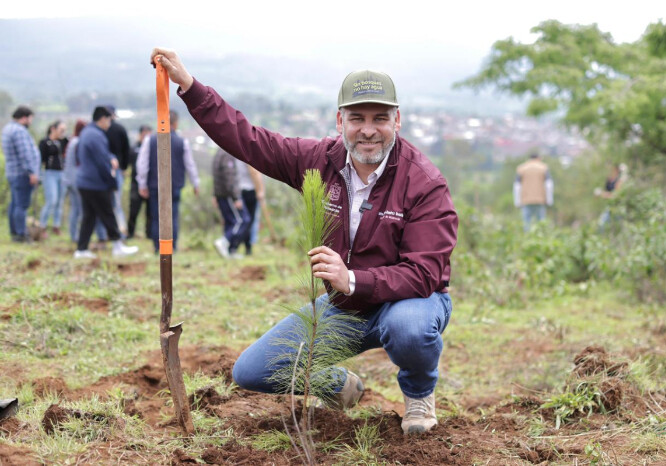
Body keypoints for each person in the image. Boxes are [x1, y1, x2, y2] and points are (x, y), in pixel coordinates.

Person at [151, 48, 458, 435]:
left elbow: (425, 272)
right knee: (252, 370)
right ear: (339, 120)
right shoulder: (319, 161)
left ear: (397, 121)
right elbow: (249, 140)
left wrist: (352, 280)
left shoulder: (423, 182)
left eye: (380, 118)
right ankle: (341, 387)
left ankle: (418, 397)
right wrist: (190, 87)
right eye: (356, 118)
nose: (368, 130)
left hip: (409, 301)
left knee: (409, 328)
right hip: (347, 307)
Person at [74, 106, 138, 259]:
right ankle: (117, 246)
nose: (110, 123)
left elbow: (104, 156)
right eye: (109, 119)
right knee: (108, 213)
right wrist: (111, 182)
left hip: (85, 181)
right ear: (102, 119)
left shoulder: (88, 132)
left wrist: (110, 157)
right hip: (95, 183)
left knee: (89, 216)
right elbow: (102, 162)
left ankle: (81, 250)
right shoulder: (95, 136)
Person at [136, 110, 200, 253]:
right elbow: (190, 165)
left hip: (154, 185)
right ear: (176, 123)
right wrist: (195, 183)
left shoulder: (149, 140)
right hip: (174, 185)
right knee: (173, 216)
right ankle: (173, 247)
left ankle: (158, 247)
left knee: (156, 216)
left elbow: (142, 164)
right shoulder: (182, 142)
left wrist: (142, 184)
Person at [63, 120, 108, 244]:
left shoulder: (72, 141)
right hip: (78, 180)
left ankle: (74, 236)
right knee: (86, 211)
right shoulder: (79, 142)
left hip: (69, 179)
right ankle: (87, 238)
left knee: (75, 209)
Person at [2, 105, 40, 242]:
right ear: (24, 118)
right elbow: (25, 154)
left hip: (12, 172)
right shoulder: (19, 131)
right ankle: (20, 233)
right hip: (22, 173)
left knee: (15, 203)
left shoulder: (7, 129)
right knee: (21, 205)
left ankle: (15, 232)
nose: (30, 122)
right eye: (30, 119)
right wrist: (32, 172)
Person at [212, 148, 252, 259]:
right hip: (228, 195)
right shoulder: (226, 154)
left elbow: (216, 176)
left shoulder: (219, 152)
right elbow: (229, 178)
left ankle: (230, 251)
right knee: (242, 220)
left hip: (221, 194)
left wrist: (214, 194)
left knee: (230, 222)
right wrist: (236, 198)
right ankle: (224, 241)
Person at [38, 120, 68, 236]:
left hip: (62, 173)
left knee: (59, 201)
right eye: (61, 130)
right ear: (53, 129)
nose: (63, 132)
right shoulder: (45, 142)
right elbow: (41, 160)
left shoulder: (64, 141)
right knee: (52, 200)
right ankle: (42, 226)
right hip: (50, 173)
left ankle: (56, 225)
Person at [105, 105, 130, 235]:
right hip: (118, 170)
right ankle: (120, 233)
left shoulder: (100, 130)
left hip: (103, 171)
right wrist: (124, 167)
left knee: (104, 203)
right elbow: (127, 150)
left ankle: (105, 234)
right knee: (117, 203)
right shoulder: (120, 129)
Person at [513, 153, 553, 232]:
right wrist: (549, 200)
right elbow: (549, 184)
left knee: (526, 224)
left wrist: (517, 201)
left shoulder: (521, 168)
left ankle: (527, 241)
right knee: (541, 224)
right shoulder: (544, 168)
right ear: (538, 158)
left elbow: (517, 186)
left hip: (526, 200)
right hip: (540, 199)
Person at [234, 158, 265, 255]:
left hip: (240, 190)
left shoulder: (236, 154)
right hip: (250, 190)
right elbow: (254, 172)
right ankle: (241, 246)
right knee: (248, 221)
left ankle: (245, 247)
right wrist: (260, 190)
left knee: (245, 220)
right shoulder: (248, 155)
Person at [127, 125, 153, 239]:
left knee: (150, 212)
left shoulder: (153, 148)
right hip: (135, 184)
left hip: (150, 184)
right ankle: (130, 233)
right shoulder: (134, 148)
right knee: (133, 211)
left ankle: (149, 234)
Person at [595, 162, 627, 231]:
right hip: (610, 207)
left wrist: (602, 193)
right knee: (601, 225)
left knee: (620, 226)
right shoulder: (608, 180)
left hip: (617, 207)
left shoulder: (619, 180)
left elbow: (615, 195)